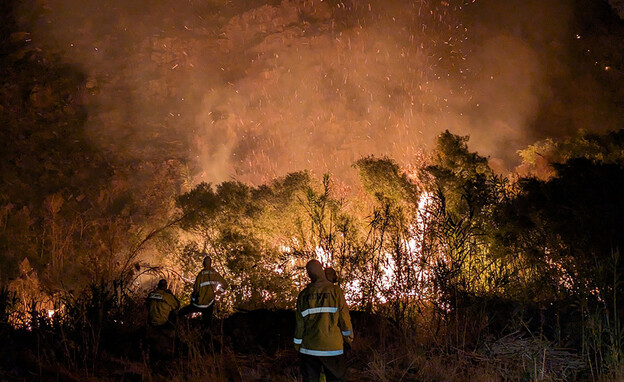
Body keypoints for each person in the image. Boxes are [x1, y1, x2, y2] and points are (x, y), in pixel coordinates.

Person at [294, 260, 354, 382]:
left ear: (309, 274)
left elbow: (300, 325)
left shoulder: (303, 295)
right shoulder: (335, 291)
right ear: (321, 271)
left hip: (309, 349)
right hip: (333, 349)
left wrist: (297, 345)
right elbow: (345, 319)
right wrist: (348, 339)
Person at [179, 255, 228, 326]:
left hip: (199, 304)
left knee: (183, 311)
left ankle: (178, 320)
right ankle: (207, 330)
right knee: (207, 322)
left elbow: (196, 290)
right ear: (211, 263)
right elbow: (225, 285)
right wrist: (217, 292)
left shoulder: (200, 275)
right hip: (209, 303)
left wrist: (192, 299)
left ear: (203, 264)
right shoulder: (214, 274)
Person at [145, 278, 180, 360]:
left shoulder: (151, 294)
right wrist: (172, 295)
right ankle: (171, 334)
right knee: (174, 313)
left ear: (158, 285)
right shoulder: (167, 296)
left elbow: (147, 305)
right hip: (163, 322)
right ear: (165, 286)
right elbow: (177, 305)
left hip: (152, 321)